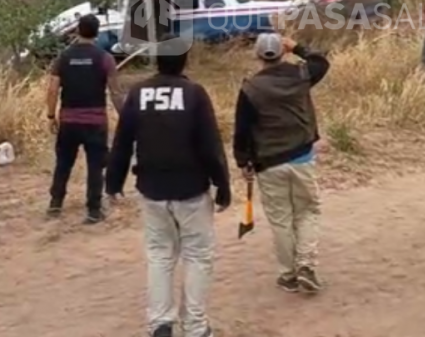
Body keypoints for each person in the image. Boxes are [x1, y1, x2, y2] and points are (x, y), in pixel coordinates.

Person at [106, 39, 231, 337]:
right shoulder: (195, 94)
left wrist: (113, 181)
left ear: (155, 61)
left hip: (152, 189)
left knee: (160, 256)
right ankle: (196, 327)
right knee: (198, 256)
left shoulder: (138, 94)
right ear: (184, 61)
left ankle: (160, 323)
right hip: (191, 189)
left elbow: (122, 143)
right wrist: (222, 183)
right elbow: (210, 145)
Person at [232, 32, 331, 294]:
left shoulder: (250, 88)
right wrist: (297, 46)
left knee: (281, 220)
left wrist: (243, 161)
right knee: (307, 211)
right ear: (282, 52)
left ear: (257, 55)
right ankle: (306, 264)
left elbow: (242, 130)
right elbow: (321, 61)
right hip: (301, 157)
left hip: (268, 162)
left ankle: (289, 274)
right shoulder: (300, 75)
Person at [44, 13, 126, 223]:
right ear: (97, 33)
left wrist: (51, 115)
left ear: (77, 31)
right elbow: (115, 91)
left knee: (63, 163)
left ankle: (55, 204)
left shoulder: (63, 57)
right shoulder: (105, 58)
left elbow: (52, 89)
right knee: (95, 166)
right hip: (95, 122)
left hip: (69, 121)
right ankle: (93, 210)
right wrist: (124, 116)